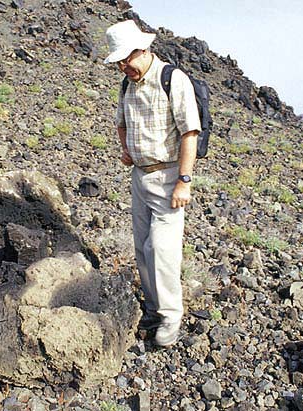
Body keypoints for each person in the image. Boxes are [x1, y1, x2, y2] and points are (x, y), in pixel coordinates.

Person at [104, 20, 201, 346]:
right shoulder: (126, 85)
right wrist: (127, 150)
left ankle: (171, 318)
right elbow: (121, 123)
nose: (123, 66)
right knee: (143, 249)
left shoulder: (173, 80)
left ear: (142, 50)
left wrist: (184, 181)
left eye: (126, 59)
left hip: (170, 175)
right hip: (140, 177)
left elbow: (190, 132)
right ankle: (153, 308)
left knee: (162, 249)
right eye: (118, 61)